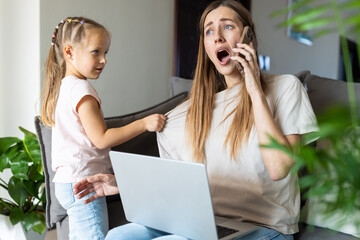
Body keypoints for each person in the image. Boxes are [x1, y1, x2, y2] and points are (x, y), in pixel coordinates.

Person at [73, 0, 318, 239]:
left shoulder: (286, 88)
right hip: (203, 223)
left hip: (266, 227)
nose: (217, 36)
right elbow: (179, 185)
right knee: (118, 236)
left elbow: (279, 168)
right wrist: (122, 183)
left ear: (248, 36)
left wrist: (253, 87)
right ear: (206, 46)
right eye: (209, 31)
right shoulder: (190, 111)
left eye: (228, 26)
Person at [40, 17, 167, 240]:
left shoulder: (65, 87)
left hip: (67, 182)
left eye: (105, 53)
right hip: (84, 182)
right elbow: (101, 138)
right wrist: (143, 124)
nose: (103, 60)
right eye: (96, 52)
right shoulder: (82, 90)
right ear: (69, 52)